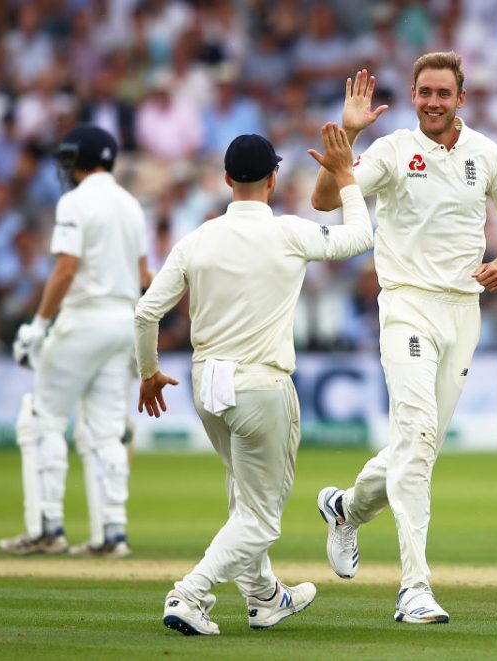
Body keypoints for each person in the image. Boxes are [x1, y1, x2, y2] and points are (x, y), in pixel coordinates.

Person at [310, 53, 497, 623]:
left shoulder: (485, 154)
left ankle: (345, 509)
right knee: (414, 436)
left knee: (421, 447)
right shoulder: (391, 150)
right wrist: (350, 134)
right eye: (424, 92)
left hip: (463, 311)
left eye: (443, 93)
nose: (433, 102)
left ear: (461, 98)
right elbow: (323, 199)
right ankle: (415, 587)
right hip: (406, 304)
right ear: (413, 96)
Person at [136, 127, 373, 636]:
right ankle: (189, 595)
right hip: (260, 386)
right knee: (261, 518)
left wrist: (149, 372)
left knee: (245, 501)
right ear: (273, 178)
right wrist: (346, 175)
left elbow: (145, 312)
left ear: (226, 178)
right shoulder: (287, 231)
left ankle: (264, 597)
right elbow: (360, 236)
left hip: (207, 385)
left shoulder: (197, 238)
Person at [0, 124, 149, 558]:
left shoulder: (74, 201)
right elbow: (143, 277)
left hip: (84, 319)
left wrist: (37, 326)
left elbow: (66, 269)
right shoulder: (131, 205)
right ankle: (112, 533)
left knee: (41, 419)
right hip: (124, 322)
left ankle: (46, 525)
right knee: (105, 431)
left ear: (79, 162)